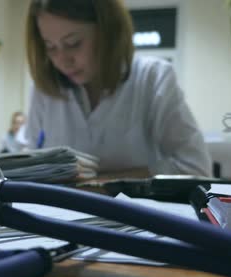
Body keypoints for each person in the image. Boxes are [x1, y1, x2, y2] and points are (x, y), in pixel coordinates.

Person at [23, 0, 212, 176]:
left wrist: (102, 183)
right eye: (50, 47)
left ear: (108, 33)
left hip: (132, 210)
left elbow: (196, 168)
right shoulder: (44, 89)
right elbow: (29, 162)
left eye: (73, 44)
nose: (62, 61)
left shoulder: (152, 78)